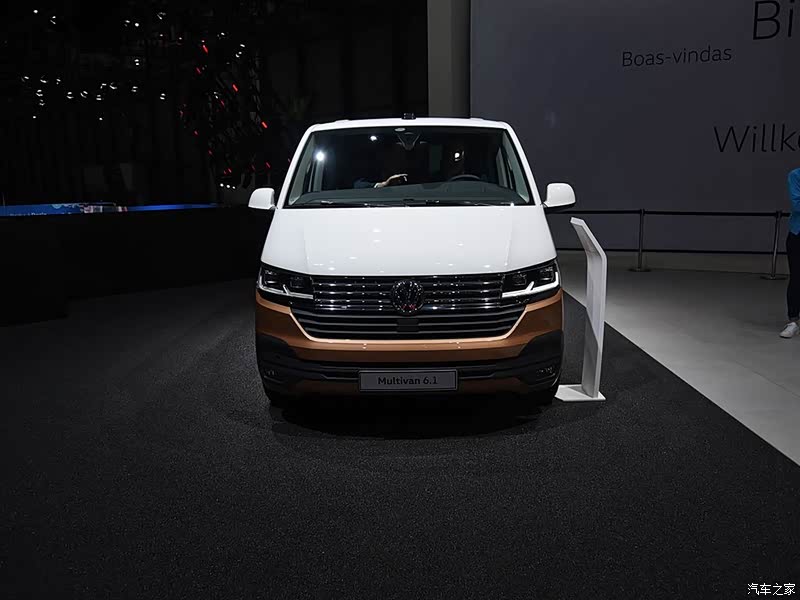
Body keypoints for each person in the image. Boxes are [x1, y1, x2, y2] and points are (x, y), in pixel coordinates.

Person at [780, 168, 800, 338]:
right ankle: (793, 321)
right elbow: (797, 204)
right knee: (797, 277)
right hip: (798, 234)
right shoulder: (795, 175)